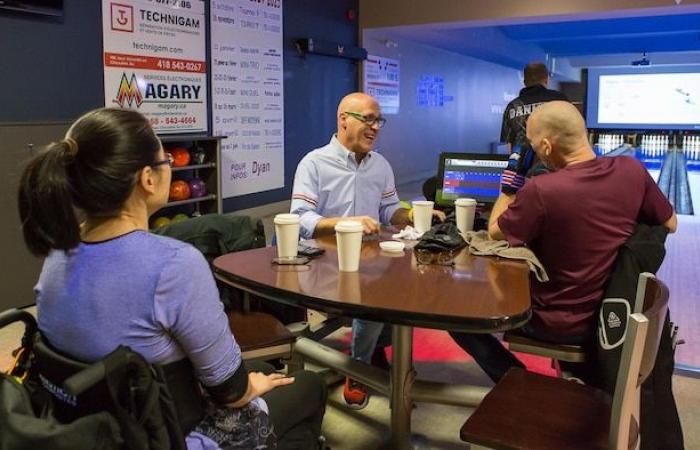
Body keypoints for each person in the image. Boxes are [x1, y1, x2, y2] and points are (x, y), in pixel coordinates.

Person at [18, 108, 327, 449]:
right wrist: (251, 387)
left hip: (94, 426)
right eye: (165, 157)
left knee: (267, 366)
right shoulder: (175, 265)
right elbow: (231, 391)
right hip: (167, 436)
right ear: (148, 179)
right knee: (308, 387)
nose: (170, 163)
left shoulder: (58, 255)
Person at [450, 101, 677, 383]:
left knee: (454, 314)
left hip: (555, 323)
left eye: (532, 145)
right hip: (612, 313)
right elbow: (670, 223)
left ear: (546, 147)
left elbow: (495, 231)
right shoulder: (632, 170)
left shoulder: (542, 191)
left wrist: (510, 186)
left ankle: (511, 378)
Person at [290, 92, 444, 409]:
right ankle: (359, 369)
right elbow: (299, 218)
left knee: (409, 286)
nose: (375, 127)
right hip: (324, 264)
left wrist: (412, 215)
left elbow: (389, 209)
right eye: (368, 119)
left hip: (367, 260)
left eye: (379, 121)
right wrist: (347, 224)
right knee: (373, 293)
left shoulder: (380, 165)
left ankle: (391, 366)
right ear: (343, 119)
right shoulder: (314, 163)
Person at [500, 61, 569, 154]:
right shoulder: (560, 100)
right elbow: (572, 135)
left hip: (522, 166)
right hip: (555, 165)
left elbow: (507, 144)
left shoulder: (512, 107)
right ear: (546, 80)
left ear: (524, 82)